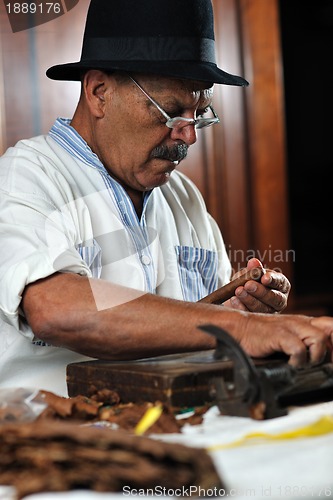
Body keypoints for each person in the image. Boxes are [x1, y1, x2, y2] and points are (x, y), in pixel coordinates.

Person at [0, 0, 332, 397]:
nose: (189, 136)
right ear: (99, 92)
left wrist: (241, 312)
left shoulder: (182, 197)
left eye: (199, 114)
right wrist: (243, 329)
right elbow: (58, 309)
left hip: (176, 428)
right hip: (59, 442)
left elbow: (198, 325)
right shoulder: (27, 176)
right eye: (171, 112)